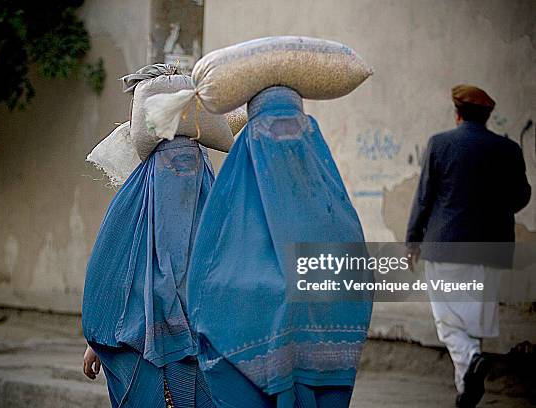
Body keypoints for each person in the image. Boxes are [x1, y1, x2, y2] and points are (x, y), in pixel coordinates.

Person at [186, 86, 373, 408]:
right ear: (248, 145)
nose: (283, 142)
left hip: (322, 378)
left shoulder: (338, 220)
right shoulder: (227, 223)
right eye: (271, 131)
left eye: (294, 130)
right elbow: (209, 298)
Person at [81, 65, 216, 407]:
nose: (184, 174)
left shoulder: (217, 213)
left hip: (207, 360)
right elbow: (109, 279)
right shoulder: (132, 213)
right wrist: (97, 341)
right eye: (172, 165)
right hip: (142, 356)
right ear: (151, 174)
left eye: (192, 163)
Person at [406, 85, 531, 408]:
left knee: (449, 324)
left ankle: (472, 363)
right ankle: (466, 391)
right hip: (490, 250)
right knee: (473, 322)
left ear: (457, 113)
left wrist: (412, 242)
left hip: (446, 247)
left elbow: (424, 198)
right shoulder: (508, 149)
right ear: (488, 115)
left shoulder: (440, 144)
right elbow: (520, 198)